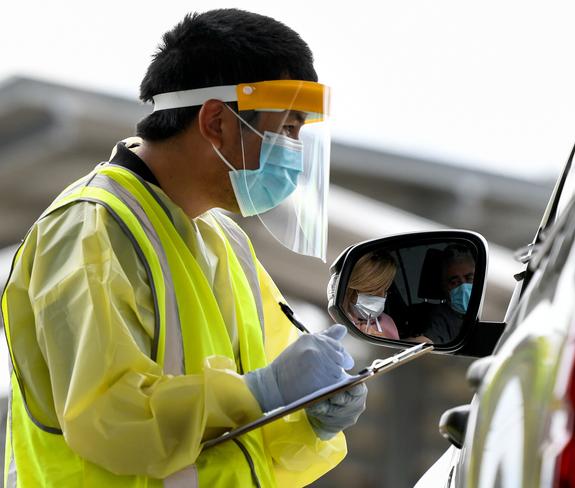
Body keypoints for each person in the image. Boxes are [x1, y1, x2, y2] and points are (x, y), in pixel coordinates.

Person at [1, 9, 366, 487]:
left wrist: (310, 416)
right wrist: (264, 390)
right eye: (289, 129)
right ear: (216, 121)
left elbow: (245, 440)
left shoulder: (223, 240)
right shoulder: (91, 229)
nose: (294, 152)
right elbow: (110, 421)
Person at [420, 244, 475, 343]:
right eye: (454, 282)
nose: (463, 287)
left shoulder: (486, 309)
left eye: (469, 278)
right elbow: (428, 341)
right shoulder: (440, 318)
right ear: (443, 287)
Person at [343, 251, 400, 340]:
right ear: (351, 289)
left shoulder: (387, 322)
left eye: (385, 290)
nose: (381, 297)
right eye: (373, 291)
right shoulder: (338, 323)